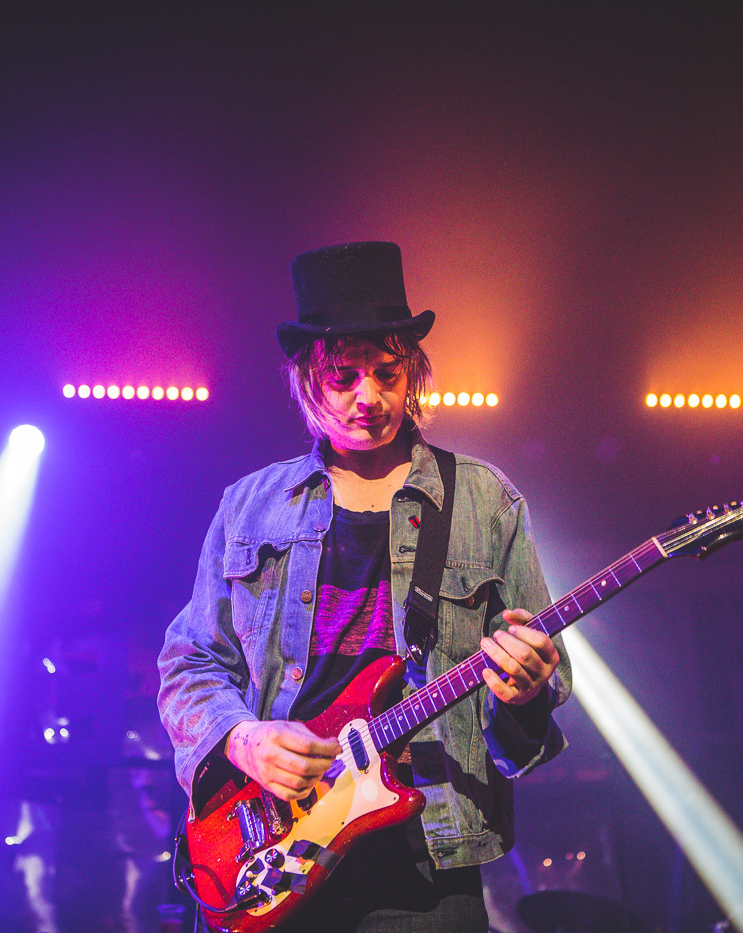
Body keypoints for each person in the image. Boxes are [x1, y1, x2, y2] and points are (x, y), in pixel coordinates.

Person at [158, 241, 570, 932]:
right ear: (305, 380)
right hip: (272, 846)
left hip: (426, 853)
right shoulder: (250, 505)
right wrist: (243, 739)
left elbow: (528, 721)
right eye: (343, 376)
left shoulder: (485, 500)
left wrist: (526, 693)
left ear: (414, 372)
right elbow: (189, 660)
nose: (369, 397)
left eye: (387, 372)